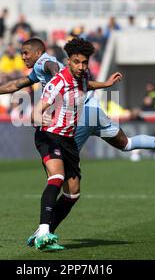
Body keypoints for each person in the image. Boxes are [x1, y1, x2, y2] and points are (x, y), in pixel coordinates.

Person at [0, 38, 155, 158]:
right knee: (127, 144)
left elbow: (56, 70)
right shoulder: (39, 68)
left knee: (62, 167)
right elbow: (16, 84)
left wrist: (51, 98)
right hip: (92, 110)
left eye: (25, 53)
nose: (22, 57)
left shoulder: (46, 62)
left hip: (78, 114)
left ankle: (44, 229)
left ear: (37, 52)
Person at [29, 37, 122, 250]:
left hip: (68, 139)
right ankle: (44, 232)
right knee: (57, 176)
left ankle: (42, 233)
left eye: (84, 62)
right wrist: (38, 118)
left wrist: (105, 84)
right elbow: (37, 108)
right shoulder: (57, 82)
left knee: (73, 193)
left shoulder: (83, 77)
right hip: (49, 135)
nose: (81, 67)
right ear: (68, 61)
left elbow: (85, 85)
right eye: (77, 62)